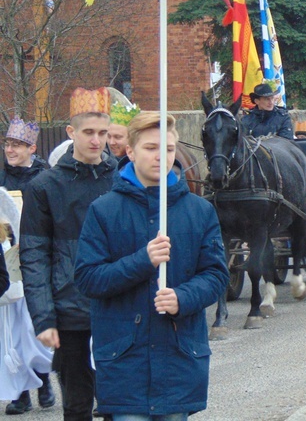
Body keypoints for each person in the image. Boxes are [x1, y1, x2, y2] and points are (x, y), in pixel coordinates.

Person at [74, 111, 229, 419]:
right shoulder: (103, 211)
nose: (161, 156)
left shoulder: (199, 211)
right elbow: (88, 278)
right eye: (150, 148)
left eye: (168, 149)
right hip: (125, 363)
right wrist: (142, 261)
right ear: (129, 151)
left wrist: (183, 298)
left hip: (178, 358)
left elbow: (216, 275)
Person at [20, 87, 117, 420]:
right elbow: (34, 256)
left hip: (118, 308)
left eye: (103, 133)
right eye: (88, 132)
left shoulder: (121, 181)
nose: (96, 140)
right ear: (71, 132)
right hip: (70, 312)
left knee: (119, 403)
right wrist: (44, 317)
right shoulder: (45, 187)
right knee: (77, 405)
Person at [0, 118, 55, 415]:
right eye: (8, 144)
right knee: (12, 330)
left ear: (32, 148)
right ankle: (21, 392)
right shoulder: (0, 179)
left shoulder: (45, 178)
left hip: (37, 259)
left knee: (35, 326)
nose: (10, 150)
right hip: (7, 262)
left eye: (17, 145)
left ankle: (43, 380)